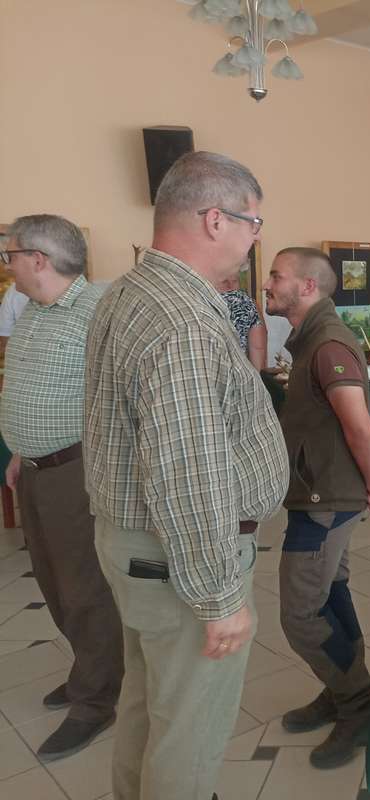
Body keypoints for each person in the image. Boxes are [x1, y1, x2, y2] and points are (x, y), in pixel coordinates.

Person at [84, 151, 289, 800]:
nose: (255, 239)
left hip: (138, 546)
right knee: (189, 731)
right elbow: (187, 472)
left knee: (150, 704)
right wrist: (218, 597)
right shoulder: (185, 322)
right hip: (179, 558)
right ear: (215, 220)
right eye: (253, 223)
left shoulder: (131, 290)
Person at [264, 246, 370, 769]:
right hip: (318, 492)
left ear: (307, 287)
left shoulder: (328, 344)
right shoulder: (311, 339)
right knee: (330, 593)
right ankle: (343, 688)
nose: (268, 284)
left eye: (276, 276)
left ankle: (358, 702)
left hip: (327, 499)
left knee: (300, 612)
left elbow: (360, 425)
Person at [0, 216, 124, 762]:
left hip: (76, 470)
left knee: (83, 588)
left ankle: (97, 700)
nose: (6, 264)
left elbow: (124, 394)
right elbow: (30, 384)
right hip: (33, 469)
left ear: (38, 259)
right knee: (52, 581)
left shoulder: (99, 310)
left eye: (9, 254)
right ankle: (87, 672)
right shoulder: (30, 309)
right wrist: (20, 451)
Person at [219, 273, 267, 370]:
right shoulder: (248, 303)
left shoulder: (203, 302)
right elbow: (258, 347)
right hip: (241, 371)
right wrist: (257, 374)